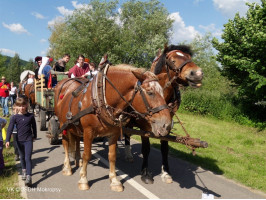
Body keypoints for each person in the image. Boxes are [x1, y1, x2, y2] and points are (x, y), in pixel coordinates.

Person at [6, 97, 37, 186]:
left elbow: (34, 127)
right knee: (22, 157)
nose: (22, 108)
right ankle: (24, 170)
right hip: (19, 140)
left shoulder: (30, 116)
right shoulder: (14, 117)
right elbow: (10, 129)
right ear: (16, 106)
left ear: (26, 105)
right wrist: (7, 140)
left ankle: (29, 176)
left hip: (28, 140)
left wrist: (34, 135)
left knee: (28, 158)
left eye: (23, 105)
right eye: (19, 106)